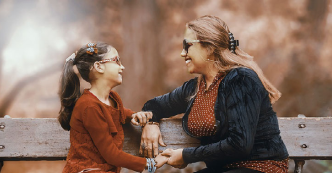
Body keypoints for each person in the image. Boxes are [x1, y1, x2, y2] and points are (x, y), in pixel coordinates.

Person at [140, 15, 289, 173]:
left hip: (260, 167)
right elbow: (154, 105)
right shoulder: (195, 88)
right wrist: (151, 123)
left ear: (209, 48)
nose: (182, 54)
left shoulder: (241, 79)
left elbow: (240, 144)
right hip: (224, 169)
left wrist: (186, 155)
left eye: (187, 45)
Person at [58, 42, 168, 173]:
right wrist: (150, 163)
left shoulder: (112, 98)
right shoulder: (88, 106)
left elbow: (115, 113)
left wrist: (133, 115)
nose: (122, 67)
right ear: (99, 66)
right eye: (117, 61)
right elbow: (111, 155)